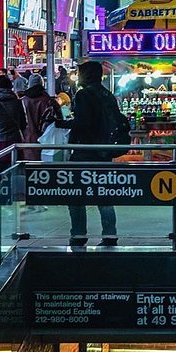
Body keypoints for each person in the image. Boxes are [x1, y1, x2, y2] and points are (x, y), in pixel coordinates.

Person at [67, 59, 119, 248]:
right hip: (105, 152)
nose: (77, 76)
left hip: (84, 152)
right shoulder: (107, 94)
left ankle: (79, 233)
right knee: (104, 194)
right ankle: (110, 233)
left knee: (76, 194)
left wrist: (63, 123)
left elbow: (84, 123)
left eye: (80, 73)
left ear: (87, 75)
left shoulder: (83, 95)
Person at [0, 74, 26, 165]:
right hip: (15, 141)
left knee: (1, 170)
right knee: (16, 168)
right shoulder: (17, 102)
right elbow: (23, 123)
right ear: (10, 86)